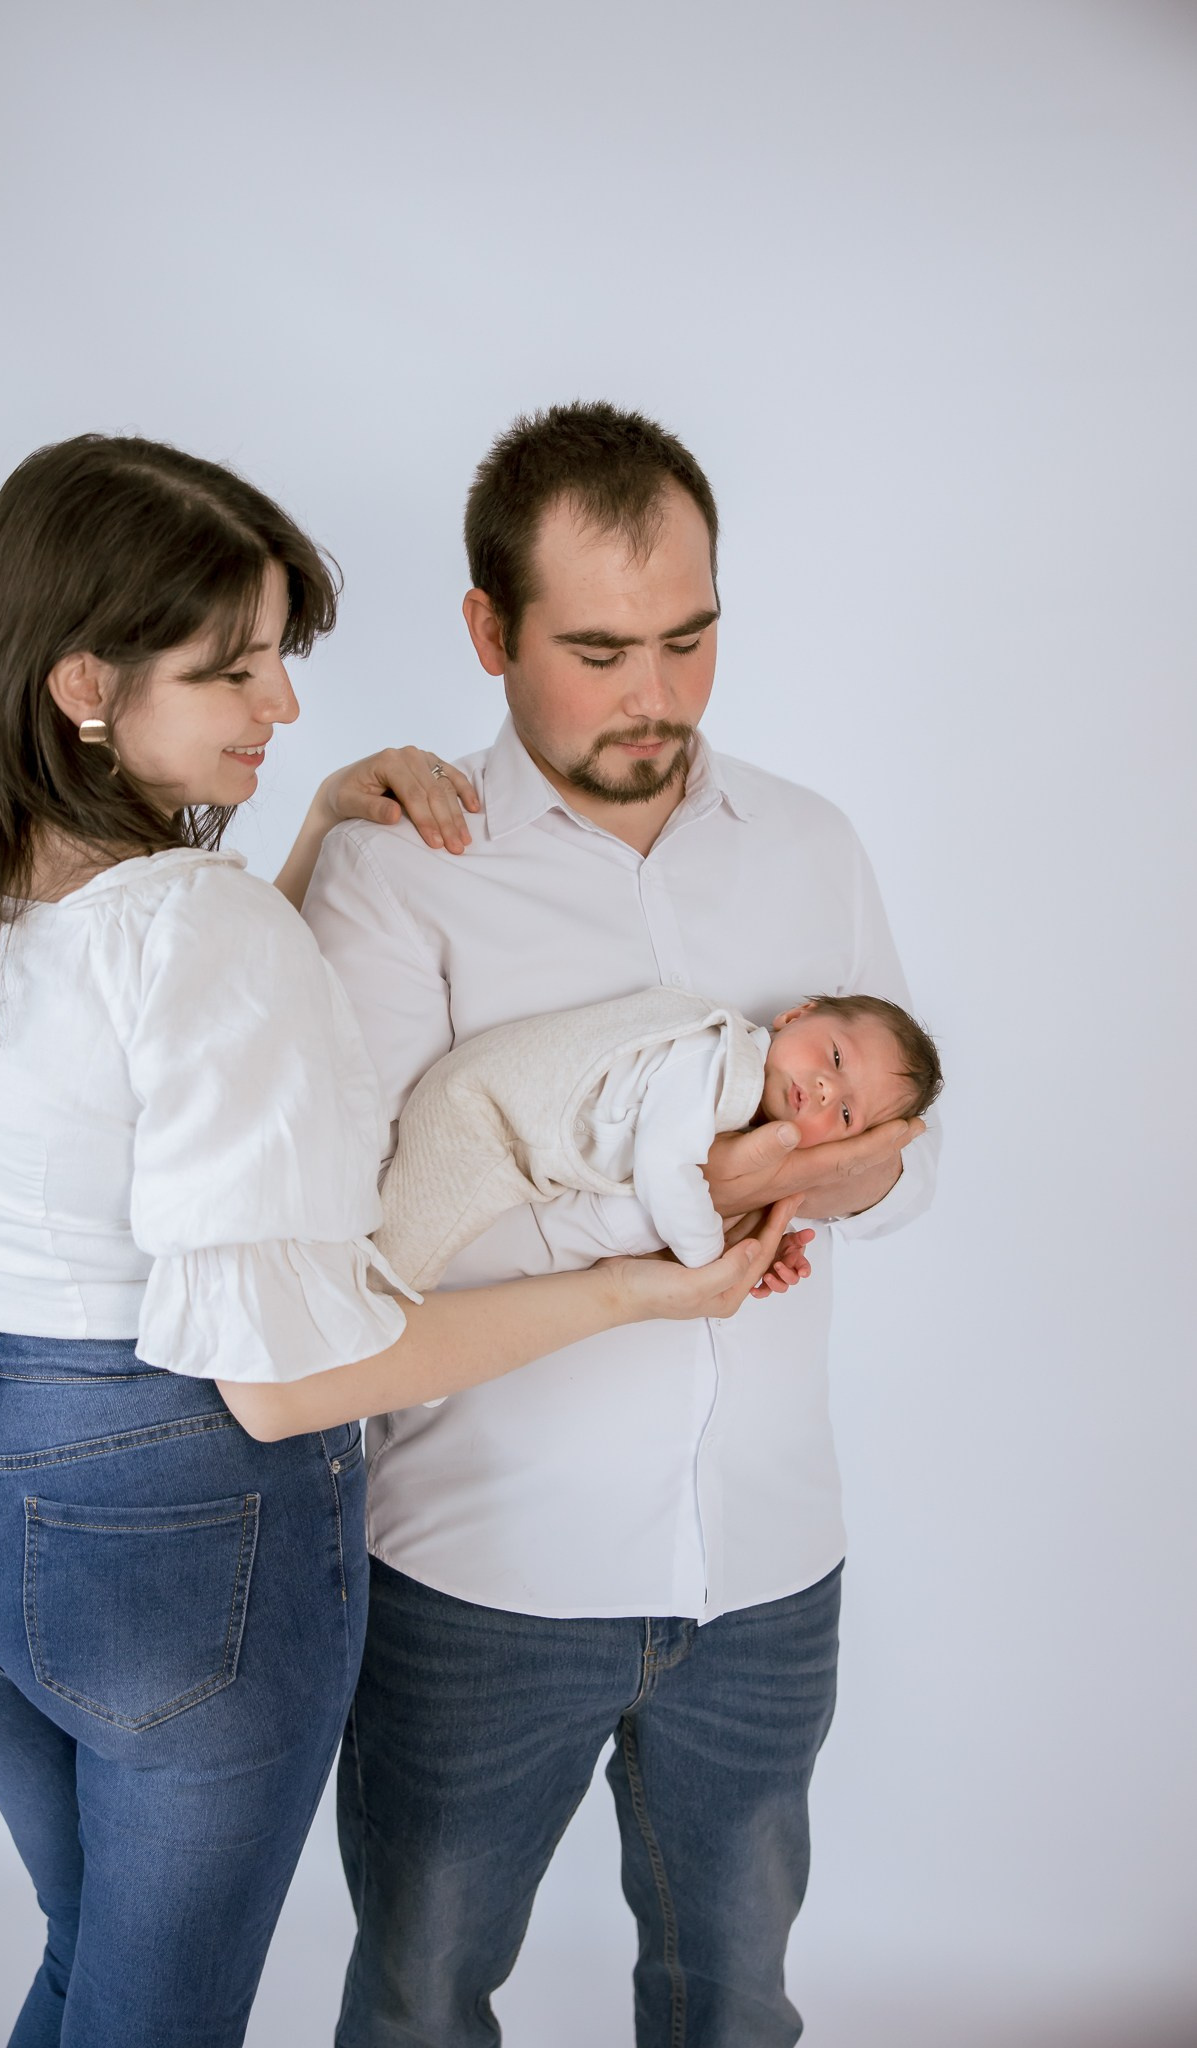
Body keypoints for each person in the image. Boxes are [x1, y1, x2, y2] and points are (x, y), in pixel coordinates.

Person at [0, 432, 796, 2048]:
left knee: (90, 1964)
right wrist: (640, 1288)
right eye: (229, 669)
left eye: (274, 656)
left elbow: (134, 1047)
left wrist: (295, 852)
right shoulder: (200, 923)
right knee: (155, 2015)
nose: (282, 703)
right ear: (84, 682)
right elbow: (294, 1381)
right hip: (165, 1524)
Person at [301, 401, 940, 2048]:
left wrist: (837, 1170)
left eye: (689, 636)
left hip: (770, 1572)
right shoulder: (399, 869)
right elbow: (370, 1236)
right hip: (478, 1578)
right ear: (489, 632)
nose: (656, 695)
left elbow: (905, 1150)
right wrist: (699, 1198)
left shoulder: (810, 843)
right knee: (420, 2005)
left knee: (737, 2009)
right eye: (597, 650)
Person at [376, 986, 942, 1286]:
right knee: (393, 1275)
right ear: (796, 1016)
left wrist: (752, 1229)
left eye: (845, 1113)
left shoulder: (740, 1103)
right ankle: (382, 1348)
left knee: (403, 1266)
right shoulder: (723, 1063)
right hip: (484, 1115)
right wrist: (712, 1257)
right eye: (836, 1057)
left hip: (503, 1123)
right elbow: (665, 1166)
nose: (824, 1089)